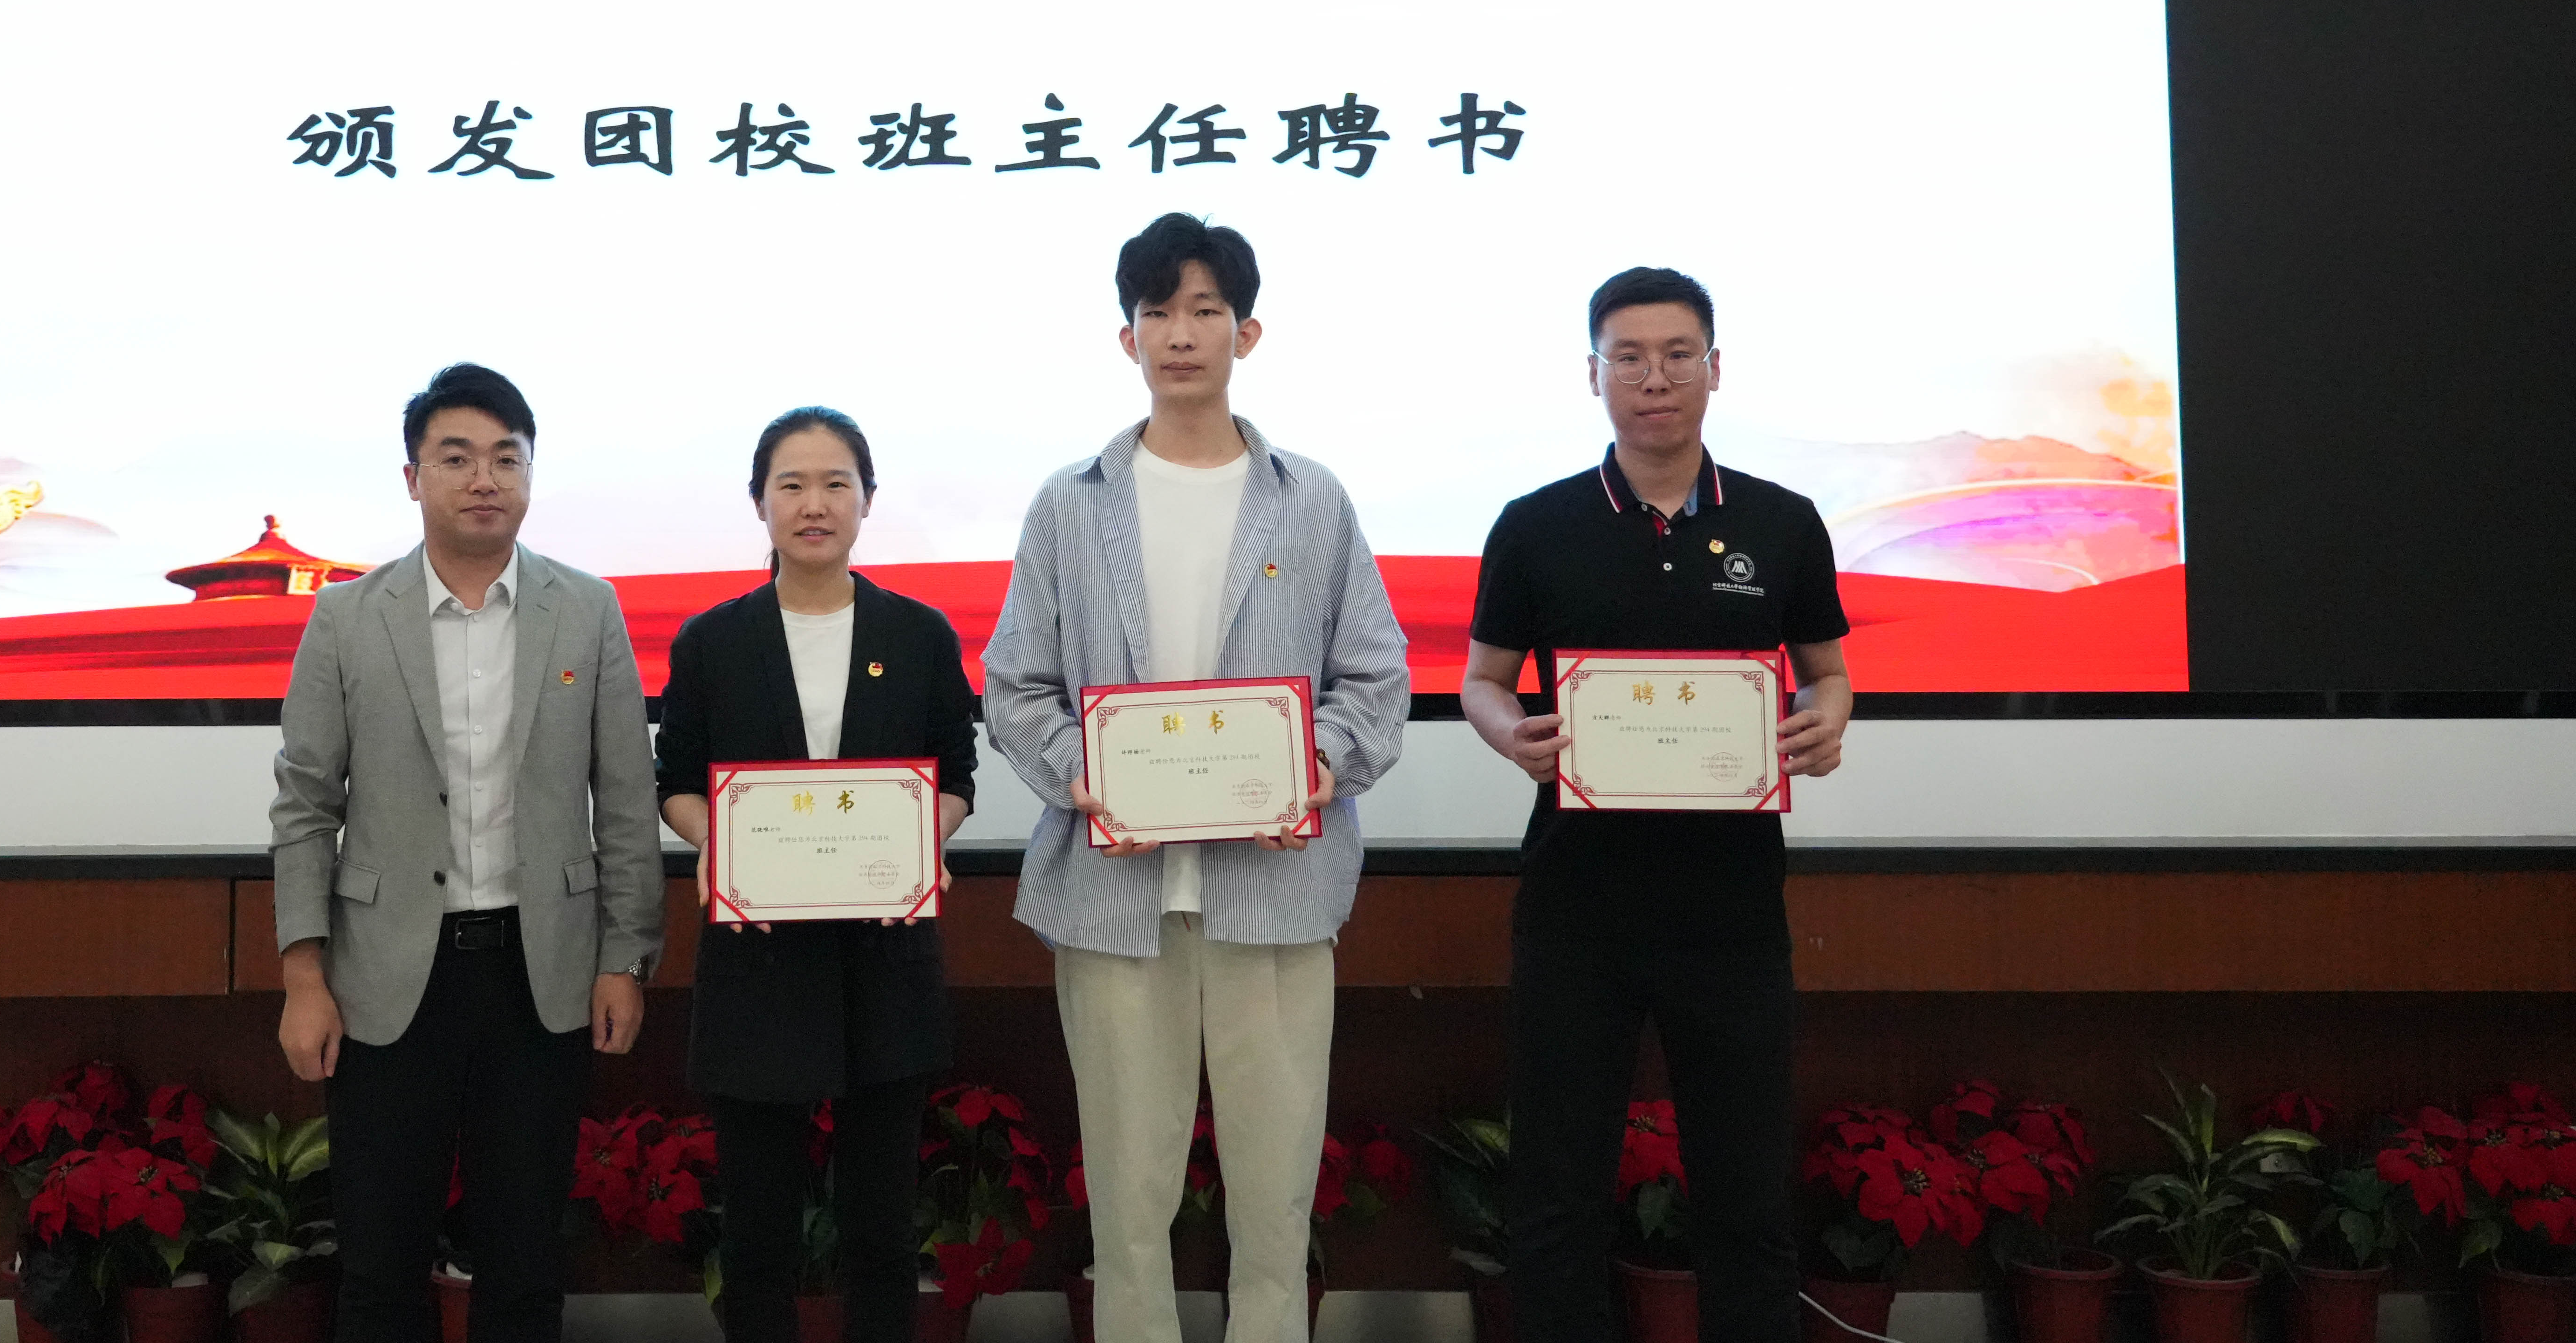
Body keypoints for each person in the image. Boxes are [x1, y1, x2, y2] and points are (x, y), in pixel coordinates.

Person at [982, 214, 1411, 1343]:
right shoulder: (1072, 502)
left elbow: (1376, 676)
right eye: (1158, 312)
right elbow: (1015, 684)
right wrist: (1081, 772)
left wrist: (1311, 765)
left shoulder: (1310, 500)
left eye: (1206, 310)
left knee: (1276, 1195)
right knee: (1129, 1204)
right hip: (1116, 895)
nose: (1181, 333)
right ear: (1126, 337)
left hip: (1275, 891)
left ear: (1246, 332)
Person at [1458, 268, 1854, 1343]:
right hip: (1576, 911)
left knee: (1746, 1198)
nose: (1654, 378)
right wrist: (1509, 732)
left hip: (1731, 913)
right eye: (1628, 357)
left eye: (1678, 354)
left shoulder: (1781, 520)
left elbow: (1827, 671)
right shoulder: (1537, 525)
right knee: (1557, 1197)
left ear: (1715, 368)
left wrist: (1826, 718)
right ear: (1592, 374)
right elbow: (1484, 679)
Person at [269, 362, 667, 1343]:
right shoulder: (348, 616)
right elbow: (307, 803)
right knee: (380, 1263)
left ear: (530, 473)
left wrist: (625, 958)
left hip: (543, 972)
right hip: (387, 976)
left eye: (506, 458)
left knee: (525, 1263)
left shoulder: (588, 610)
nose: (484, 478)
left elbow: (625, 799)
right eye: (456, 458)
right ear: (414, 478)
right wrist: (304, 976)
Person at [656, 407, 982, 1343]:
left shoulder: (917, 633)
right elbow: (677, 784)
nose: (814, 504)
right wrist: (720, 847)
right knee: (759, 1230)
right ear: (759, 501)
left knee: (882, 1227)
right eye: (791, 484)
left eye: (837, 483)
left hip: (886, 957)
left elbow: (955, 779)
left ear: (867, 500)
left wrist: (925, 839)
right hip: (759, 961)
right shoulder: (712, 640)